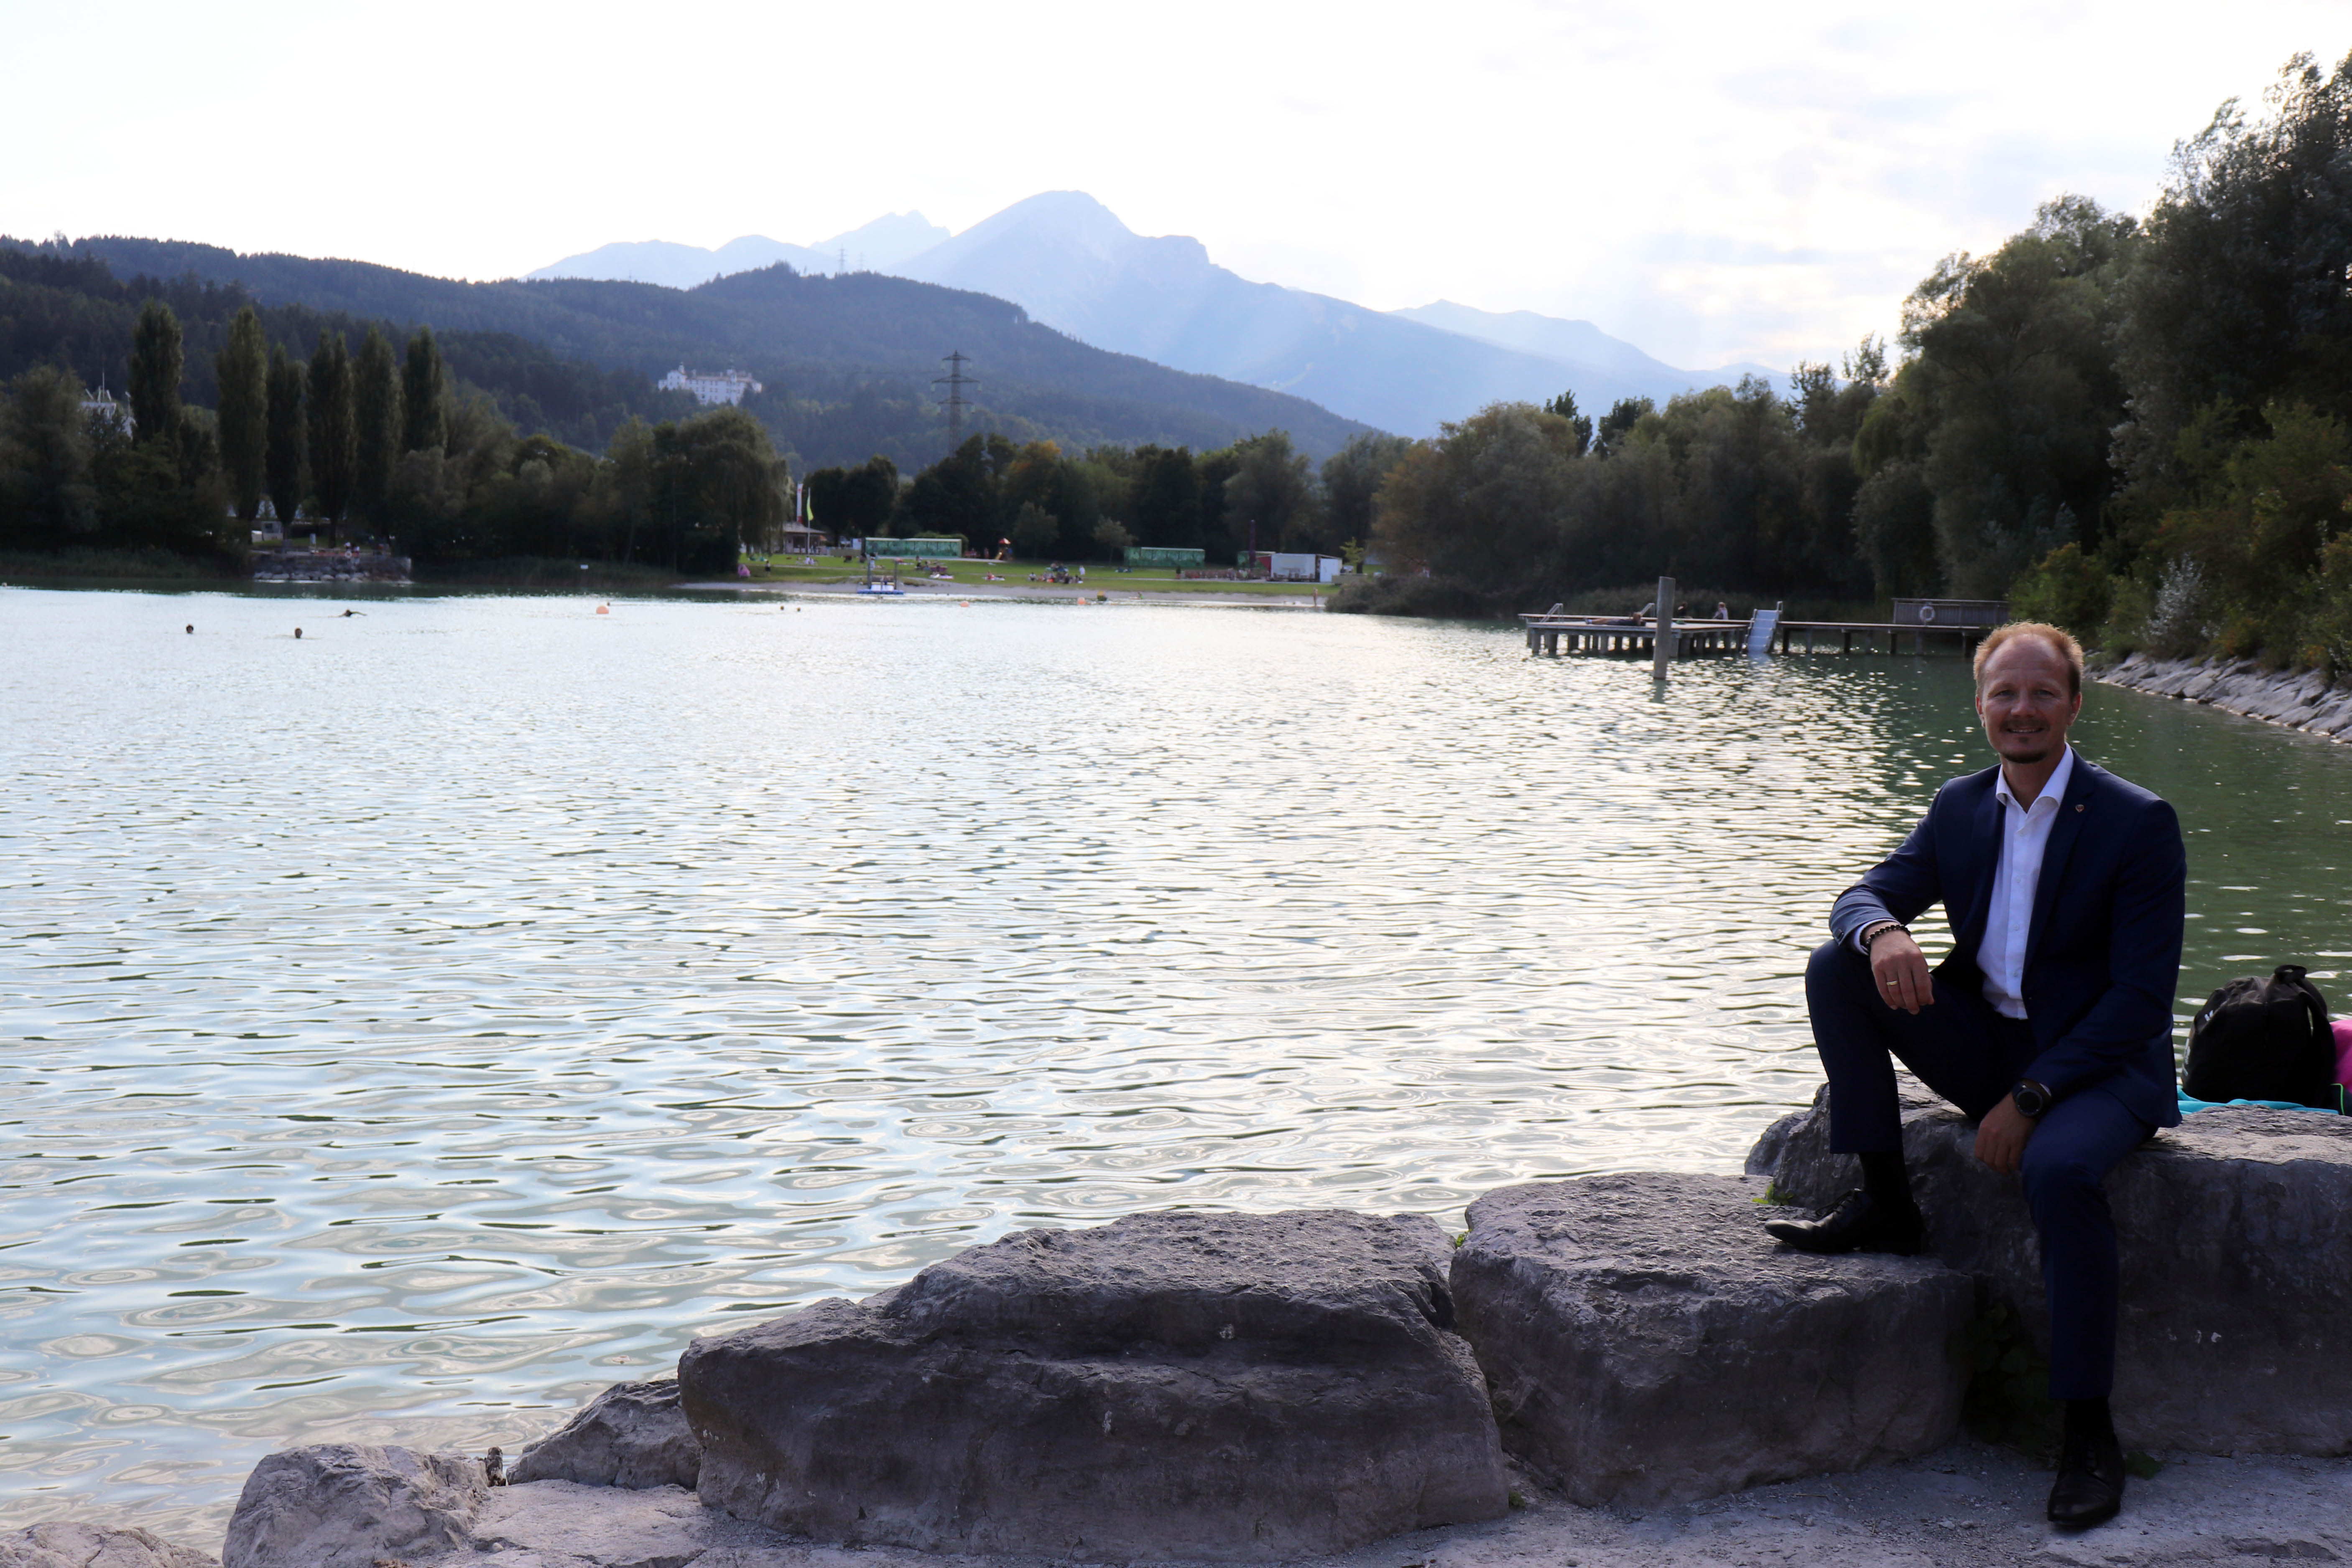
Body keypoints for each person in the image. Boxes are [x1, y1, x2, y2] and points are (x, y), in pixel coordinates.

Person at [1765, 622, 2184, 1529]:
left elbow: (2141, 1001)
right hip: (1989, 1045)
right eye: (2003, 693)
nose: (2020, 709)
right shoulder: (1960, 806)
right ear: (1981, 704)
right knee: (1834, 964)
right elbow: (1860, 893)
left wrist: (2028, 1099)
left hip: (2098, 1067)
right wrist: (1882, 930)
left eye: (2040, 693)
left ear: (2073, 704)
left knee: (2057, 1169)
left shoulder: (2135, 821)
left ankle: (2085, 1431)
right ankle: (1884, 1200)